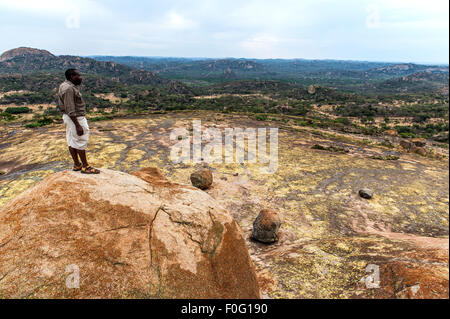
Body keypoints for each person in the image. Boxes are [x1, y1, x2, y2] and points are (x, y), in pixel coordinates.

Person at [58, 68, 100, 174]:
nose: (80, 77)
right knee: (81, 140)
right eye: (78, 75)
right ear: (72, 77)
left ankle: (77, 165)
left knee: (72, 141)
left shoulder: (65, 85)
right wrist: (78, 125)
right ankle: (85, 166)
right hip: (75, 118)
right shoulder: (68, 89)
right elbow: (70, 108)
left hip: (70, 117)